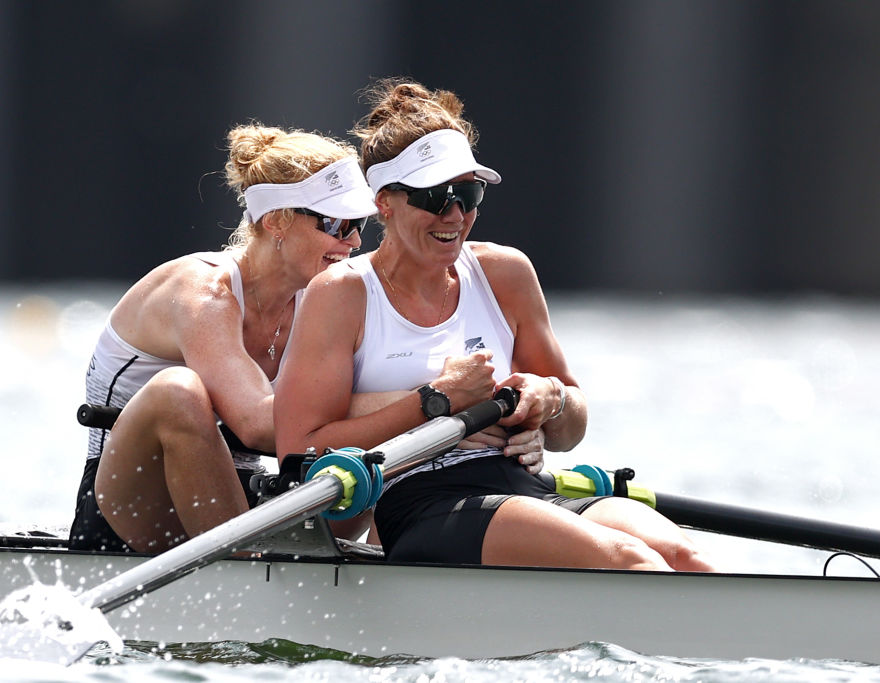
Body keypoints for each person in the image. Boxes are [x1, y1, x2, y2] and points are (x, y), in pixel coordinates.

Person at [274, 80, 715, 571]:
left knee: (686, 556)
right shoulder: (343, 292)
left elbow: (572, 427)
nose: (457, 215)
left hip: (524, 482)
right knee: (630, 559)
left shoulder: (505, 273)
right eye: (437, 198)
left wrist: (550, 400)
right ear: (384, 202)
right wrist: (437, 404)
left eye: (469, 193)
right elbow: (300, 449)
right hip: (422, 502)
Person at [69, 124, 377, 553]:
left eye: (358, 223)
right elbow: (255, 424)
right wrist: (425, 402)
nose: (355, 241)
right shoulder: (202, 293)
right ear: (276, 222)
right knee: (178, 392)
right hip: (130, 508)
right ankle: (251, 576)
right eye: (337, 223)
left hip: (243, 499)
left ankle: (394, 567)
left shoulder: (325, 303)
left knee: (391, 424)